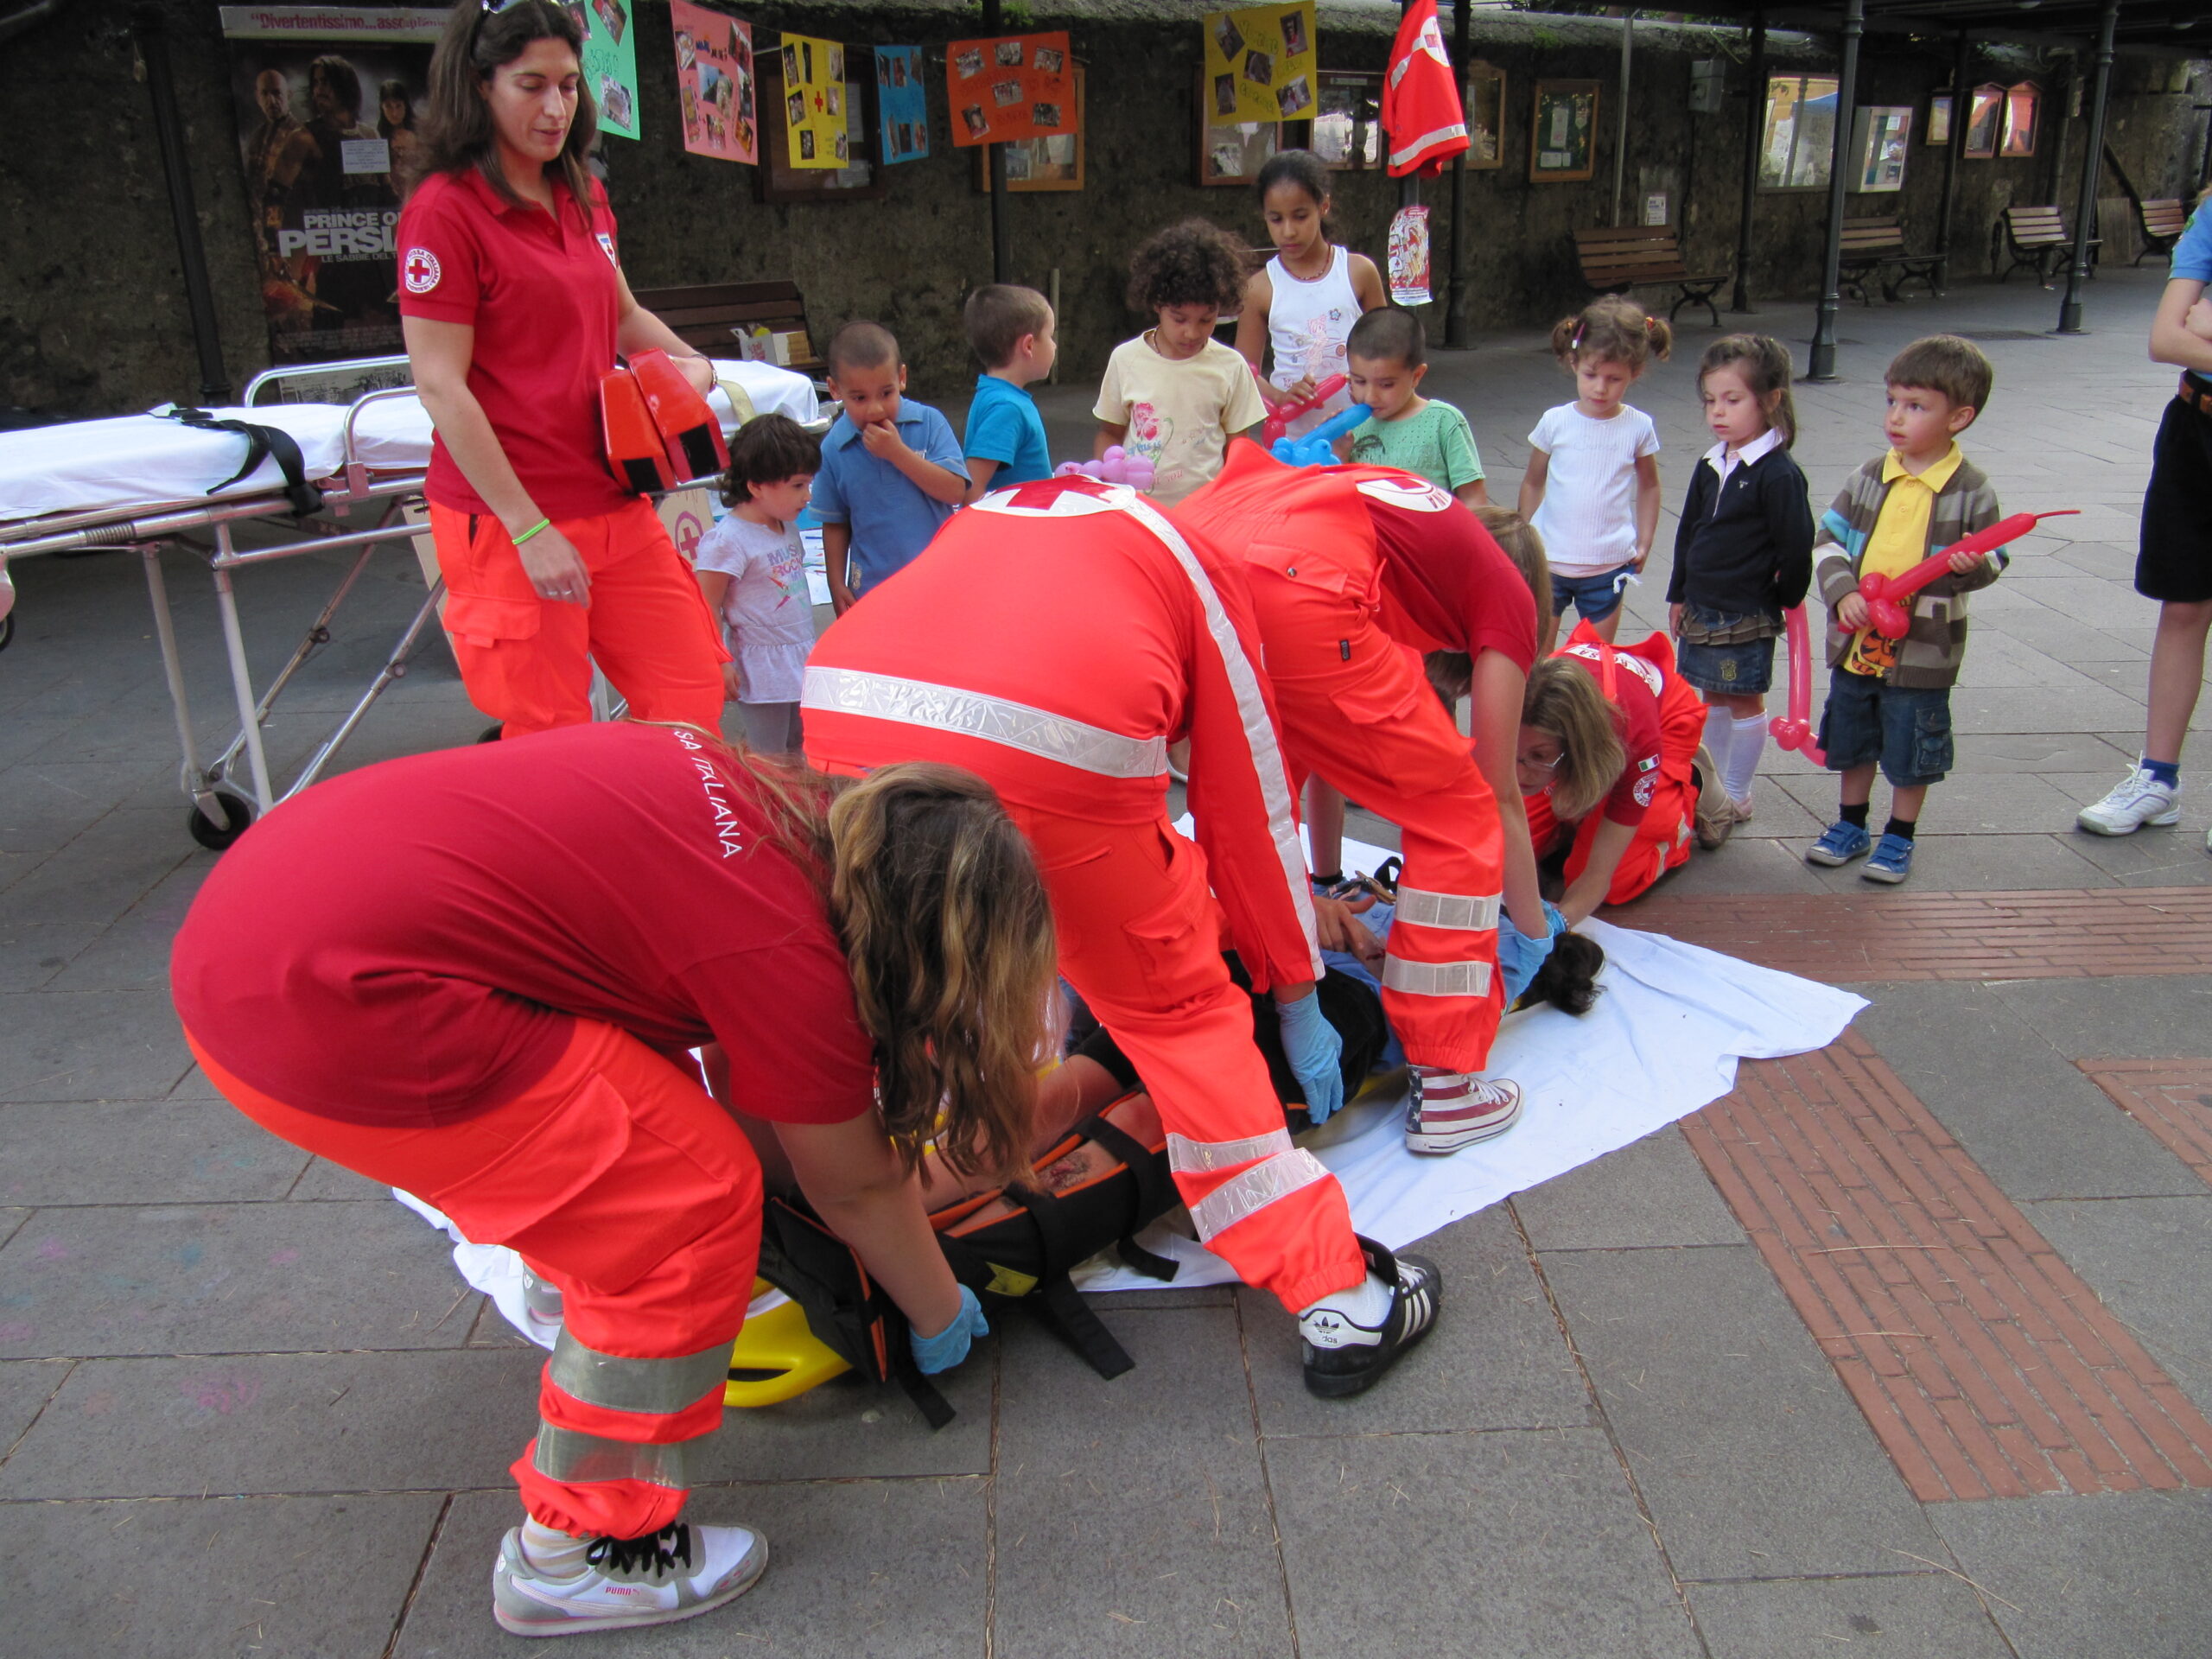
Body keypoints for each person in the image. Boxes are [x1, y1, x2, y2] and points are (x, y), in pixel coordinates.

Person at [169, 722, 1052, 1638]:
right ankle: (583, 1549)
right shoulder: (784, 947)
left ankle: (577, 1283)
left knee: (657, 1136)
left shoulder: (757, 797)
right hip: (330, 1016)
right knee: (684, 1211)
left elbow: (760, 1094)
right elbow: (855, 1186)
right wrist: (942, 1310)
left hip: (262, 924)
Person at [804, 474, 1442, 1397]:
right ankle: (1336, 1295)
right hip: (1058, 756)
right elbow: (1248, 812)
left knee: (908, 958)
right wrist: (1295, 989)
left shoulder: (991, 518)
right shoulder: (1197, 567)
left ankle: (857, 1185)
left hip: (844, 721)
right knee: (1181, 1021)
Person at [1174, 451, 1547, 1154]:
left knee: (1241, 807)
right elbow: (1494, 793)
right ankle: (1447, 1087)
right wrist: (1532, 929)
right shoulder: (1507, 596)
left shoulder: (1399, 532)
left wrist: (1318, 881)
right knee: (1455, 813)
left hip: (1194, 554)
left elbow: (1309, 749)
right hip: (1290, 577)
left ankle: (1184, 976)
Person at [397, 0, 728, 741]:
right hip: (513, 516)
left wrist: (690, 364)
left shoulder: (581, 190)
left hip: (614, 499)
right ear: (481, 86)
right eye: (531, 85)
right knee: (550, 734)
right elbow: (439, 383)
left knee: (690, 692)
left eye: (570, 85)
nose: (555, 107)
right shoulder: (444, 213)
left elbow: (622, 315)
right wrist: (527, 530)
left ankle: (657, 844)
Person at [1805, 336, 2007, 885]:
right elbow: (1828, 539)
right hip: (1858, 644)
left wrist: (1969, 564)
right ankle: (1850, 824)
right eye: (1892, 401)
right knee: (1851, 738)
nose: (1897, 417)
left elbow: (1995, 556)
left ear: (1959, 417)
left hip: (1921, 650)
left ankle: (1899, 835)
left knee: (1911, 743)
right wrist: (1843, 591)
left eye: (1916, 406)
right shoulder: (1871, 476)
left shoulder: (1971, 490)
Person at [2075, 190, 2212, 849]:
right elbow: (2166, 337)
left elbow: (2191, 328)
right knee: (2182, 606)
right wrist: (2193, 325)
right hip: (2196, 427)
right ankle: (2158, 780)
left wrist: (2207, 322)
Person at [1669, 334, 1815, 833]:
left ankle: (1737, 791)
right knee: (1706, 696)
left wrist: (1782, 599)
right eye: (1711, 401)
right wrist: (1678, 592)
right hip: (1703, 606)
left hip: (1745, 611)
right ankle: (1711, 788)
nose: (1718, 413)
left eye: (1733, 400)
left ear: (1770, 400)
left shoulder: (1778, 475)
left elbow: (1797, 545)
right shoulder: (1712, 463)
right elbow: (1689, 529)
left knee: (1742, 697)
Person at [1519, 624, 1710, 922]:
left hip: (1662, 718)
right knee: (1507, 848)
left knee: (1618, 880)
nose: (1518, 773)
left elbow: (1597, 878)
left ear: (1574, 751)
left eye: (1537, 757)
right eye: (1512, 753)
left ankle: (1685, 792)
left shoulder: (1636, 741)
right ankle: (1577, 818)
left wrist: (1554, 931)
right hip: (1586, 717)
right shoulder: (1514, 709)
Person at [1518, 296, 1669, 645]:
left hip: (1608, 564)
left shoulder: (1638, 427)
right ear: (1573, 362)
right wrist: (1526, 534)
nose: (1600, 388)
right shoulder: (1555, 422)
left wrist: (1645, 540)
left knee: (1596, 663)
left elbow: (1649, 486)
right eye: (1591, 374)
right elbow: (1532, 481)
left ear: (1636, 372)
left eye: (1614, 378)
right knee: (1537, 655)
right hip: (1550, 560)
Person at [1095, 219, 1268, 505]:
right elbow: (1109, 432)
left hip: (1206, 511)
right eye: (1179, 318)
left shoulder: (1231, 366)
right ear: (1156, 304)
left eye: (1206, 319)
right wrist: (1109, 479)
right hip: (1140, 510)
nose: (1192, 332)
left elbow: (1239, 448)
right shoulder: (1126, 359)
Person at [812, 320, 969, 613]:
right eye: (859, 398)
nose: (875, 408)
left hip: (938, 579)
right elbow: (835, 521)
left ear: (902, 378)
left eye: (886, 393)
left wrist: (898, 453)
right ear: (835, 389)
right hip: (873, 587)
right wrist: (836, 582)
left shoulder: (929, 423)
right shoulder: (835, 446)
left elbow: (956, 491)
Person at [1233, 149, 1385, 437]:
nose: (1288, 231)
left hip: (1363, 431)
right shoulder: (1260, 288)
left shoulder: (1358, 272)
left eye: (1300, 216)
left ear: (1324, 206)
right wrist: (1279, 397)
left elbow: (1390, 349)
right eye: (1276, 219)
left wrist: (1371, 386)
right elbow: (1242, 370)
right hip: (1292, 440)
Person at [694, 413, 820, 755]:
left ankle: (795, 807)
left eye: (809, 484)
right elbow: (704, 605)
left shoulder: (786, 526)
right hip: (761, 667)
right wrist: (719, 661)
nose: (807, 496)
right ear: (756, 486)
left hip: (799, 655)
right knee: (769, 756)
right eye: (798, 486)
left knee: (800, 748)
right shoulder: (728, 541)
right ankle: (763, 807)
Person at [1339, 307, 1488, 506]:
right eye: (1359, 381)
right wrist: (1338, 453)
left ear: (1416, 376)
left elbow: (1472, 497)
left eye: (1386, 385)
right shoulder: (1351, 428)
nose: (1370, 396)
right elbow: (1341, 493)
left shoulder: (1443, 422)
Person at [961, 283, 1058, 499]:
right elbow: (973, 486)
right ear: (1029, 346)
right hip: (1017, 527)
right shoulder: (1007, 407)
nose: (1054, 346)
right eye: (1050, 336)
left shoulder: (994, 394)